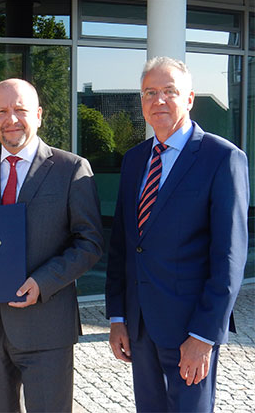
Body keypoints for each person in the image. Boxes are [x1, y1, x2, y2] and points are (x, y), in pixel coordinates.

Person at [0, 78, 104, 412]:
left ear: (39, 115)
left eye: (20, 109)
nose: (11, 119)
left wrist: (42, 282)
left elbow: (89, 243)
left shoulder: (71, 169)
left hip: (46, 325)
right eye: (2, 111)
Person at [105, 56, 249, 412]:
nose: (158, 100)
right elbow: (123, 245)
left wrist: (204, 337)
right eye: (149, 92)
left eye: (169, 91)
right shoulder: (135, 160)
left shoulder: (222, 158)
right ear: (141, 102)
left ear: (189, 98)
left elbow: (229, 258)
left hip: (189, 329)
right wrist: (118, 317)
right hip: (139, 328)